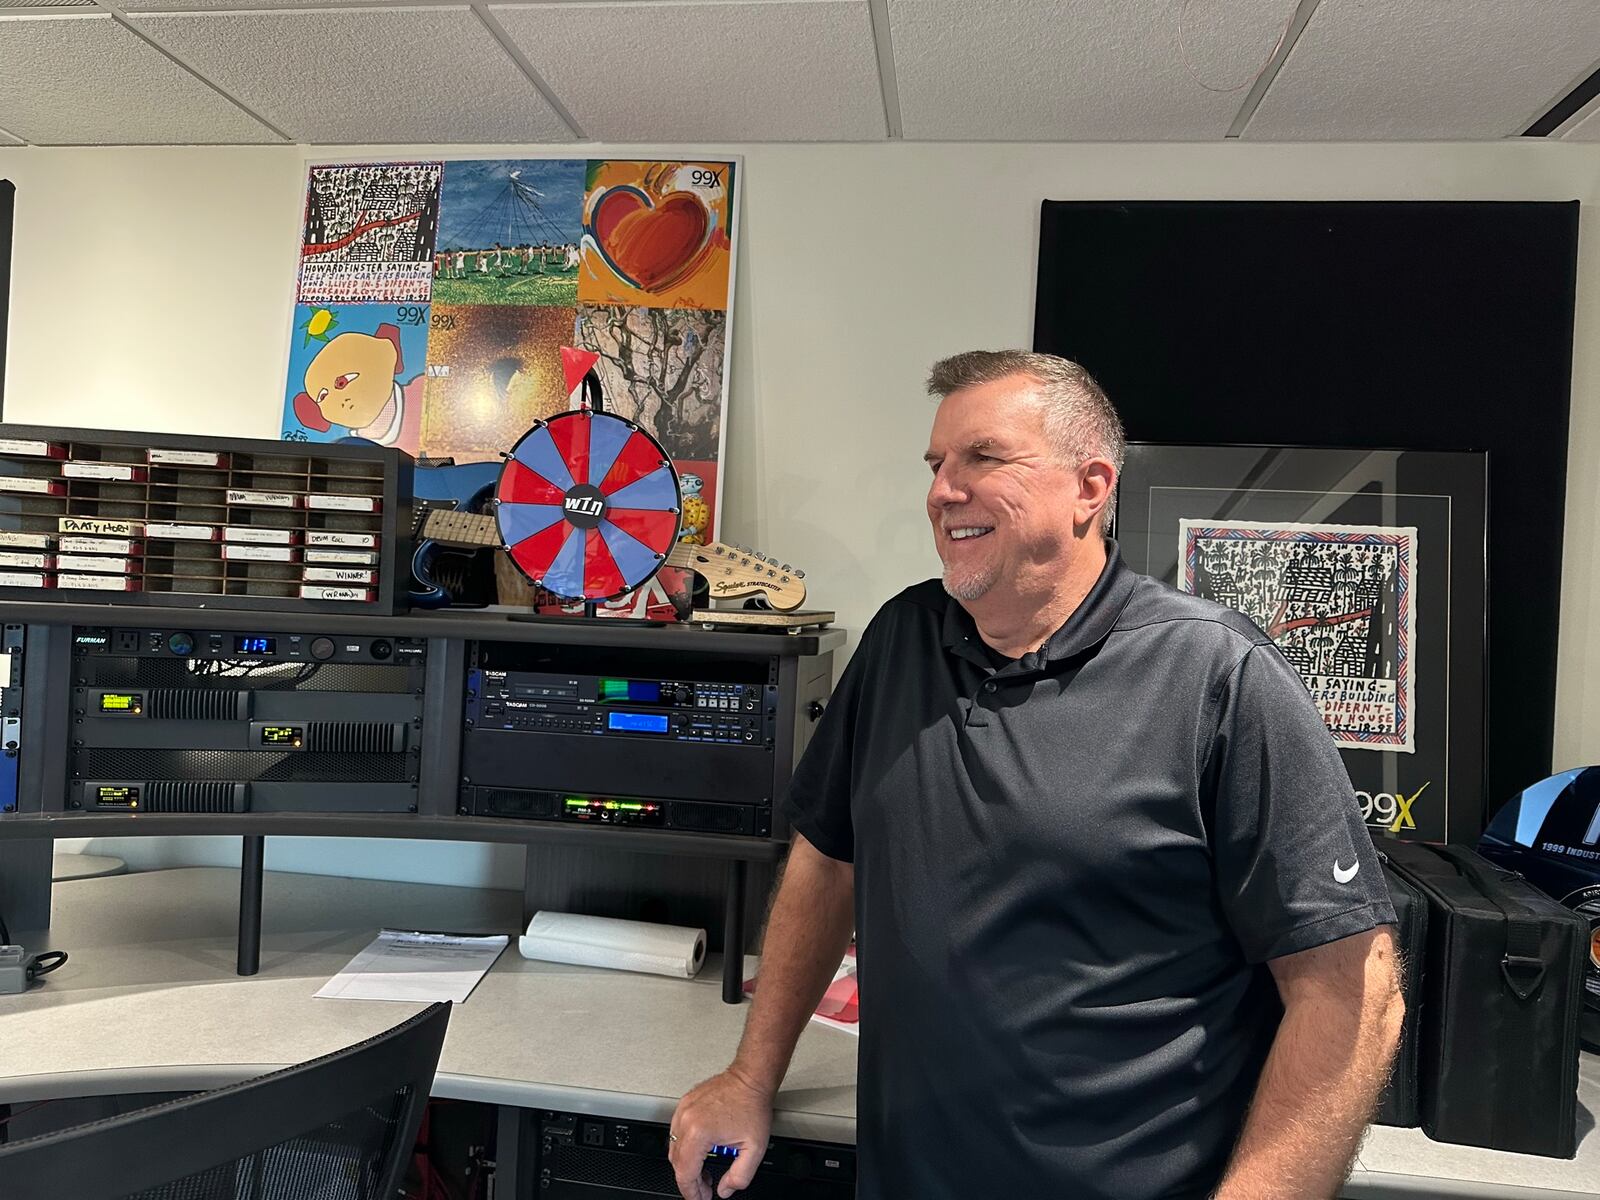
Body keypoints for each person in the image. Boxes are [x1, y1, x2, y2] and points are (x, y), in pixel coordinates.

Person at [669, 350, 1405, 1200]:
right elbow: (828, 862)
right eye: (937, 465)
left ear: (1091, 487)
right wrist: (751, 1078)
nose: (944, 490)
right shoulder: (900, 641)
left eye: (983, 458)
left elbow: (1355, 993)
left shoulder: (1218, 678)